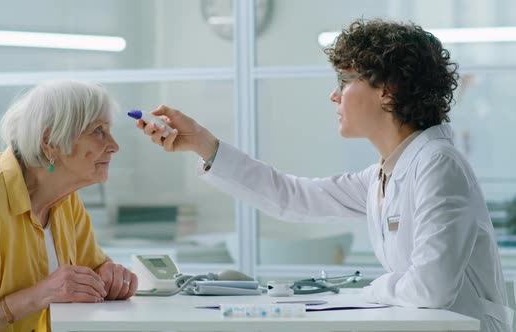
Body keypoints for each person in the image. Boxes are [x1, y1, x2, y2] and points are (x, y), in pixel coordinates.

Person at [136, 19, 512, 332]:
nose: (334, 97)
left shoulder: (436, 164)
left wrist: (370, 288)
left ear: (389, 91)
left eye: (344, 81)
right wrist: (203, 143)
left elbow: (432, 288)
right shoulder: (387, 171)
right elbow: (291, 197)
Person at [0, 80, 138, 332]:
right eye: (98, 131)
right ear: (50, 141)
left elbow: (90, 267)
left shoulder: (64, 196)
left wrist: (108, 274)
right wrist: (39, 295)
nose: (114, 146)